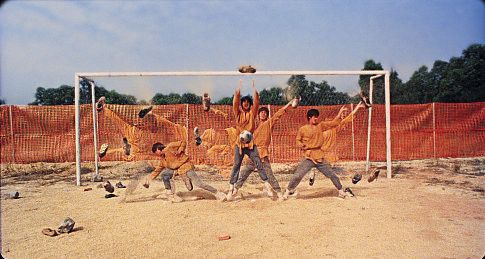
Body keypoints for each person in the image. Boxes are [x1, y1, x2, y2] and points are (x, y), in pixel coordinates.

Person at [140, 106, 226, 202]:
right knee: (165, 175)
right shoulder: (162, 160)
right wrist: (148, 180)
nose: (158, 155)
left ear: (160, 149)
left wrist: (180, 149)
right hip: (177, 170)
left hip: (186, 167)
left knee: (199, 183)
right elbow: (156, 171)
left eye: (157, 152)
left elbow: (183, 142)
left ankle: (218, 193)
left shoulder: (170, 146)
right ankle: (171, 195)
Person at [283, 105, 354, 199]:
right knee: (298, 175)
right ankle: (287, 192)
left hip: (319, 157)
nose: (316, 118)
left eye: (317, 116)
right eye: (314, 117)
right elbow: (298, 140)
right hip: (308, 157)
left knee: (332, 175)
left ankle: (341, 191)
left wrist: (340, 113)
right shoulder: (303, 129)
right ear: (309, 117)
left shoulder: (321, 126)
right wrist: (301, 145)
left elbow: (333, 123)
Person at [233, 98, 298, 200]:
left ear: (267, 115)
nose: (263, 114)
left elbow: (279, 114)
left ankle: (279, 193)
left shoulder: (269, 123)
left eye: (265, 113)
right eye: (261, 112)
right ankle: (233, 192)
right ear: (258, 115)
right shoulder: (252, 126)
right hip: (252, 153)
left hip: (262, 154)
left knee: (269, 174)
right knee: (244, 173)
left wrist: (289, 104)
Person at [226, 80, 274, 201]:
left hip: (251, 144)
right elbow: (235, 103)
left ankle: (267, 186)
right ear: (241, 104)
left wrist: (255, 88)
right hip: (239, 144)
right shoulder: (238, 114)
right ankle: (231, 189)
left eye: (248, 102)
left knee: (258, 163)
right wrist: (239, 88)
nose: (245, 104)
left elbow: (257, 101)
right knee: (236, 165)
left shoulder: (252, 114)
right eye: (244, 102)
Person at [308, 101, 366, 185]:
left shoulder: (321, 130)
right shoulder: (334, 130)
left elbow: (337, 120)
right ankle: (352, 177)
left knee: (324, 167)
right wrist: (358, 107)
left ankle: (312, 172)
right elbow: (348, 118)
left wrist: (341, 112)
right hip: (328, 155)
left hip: (320, 154)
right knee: (332, 169)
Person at [96, 97, 147, 161]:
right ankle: (104, 107)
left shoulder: (126, 147)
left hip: (131, 135)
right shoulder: (133, 145)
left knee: (117, 120)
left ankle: (104, 108)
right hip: (133, 136)